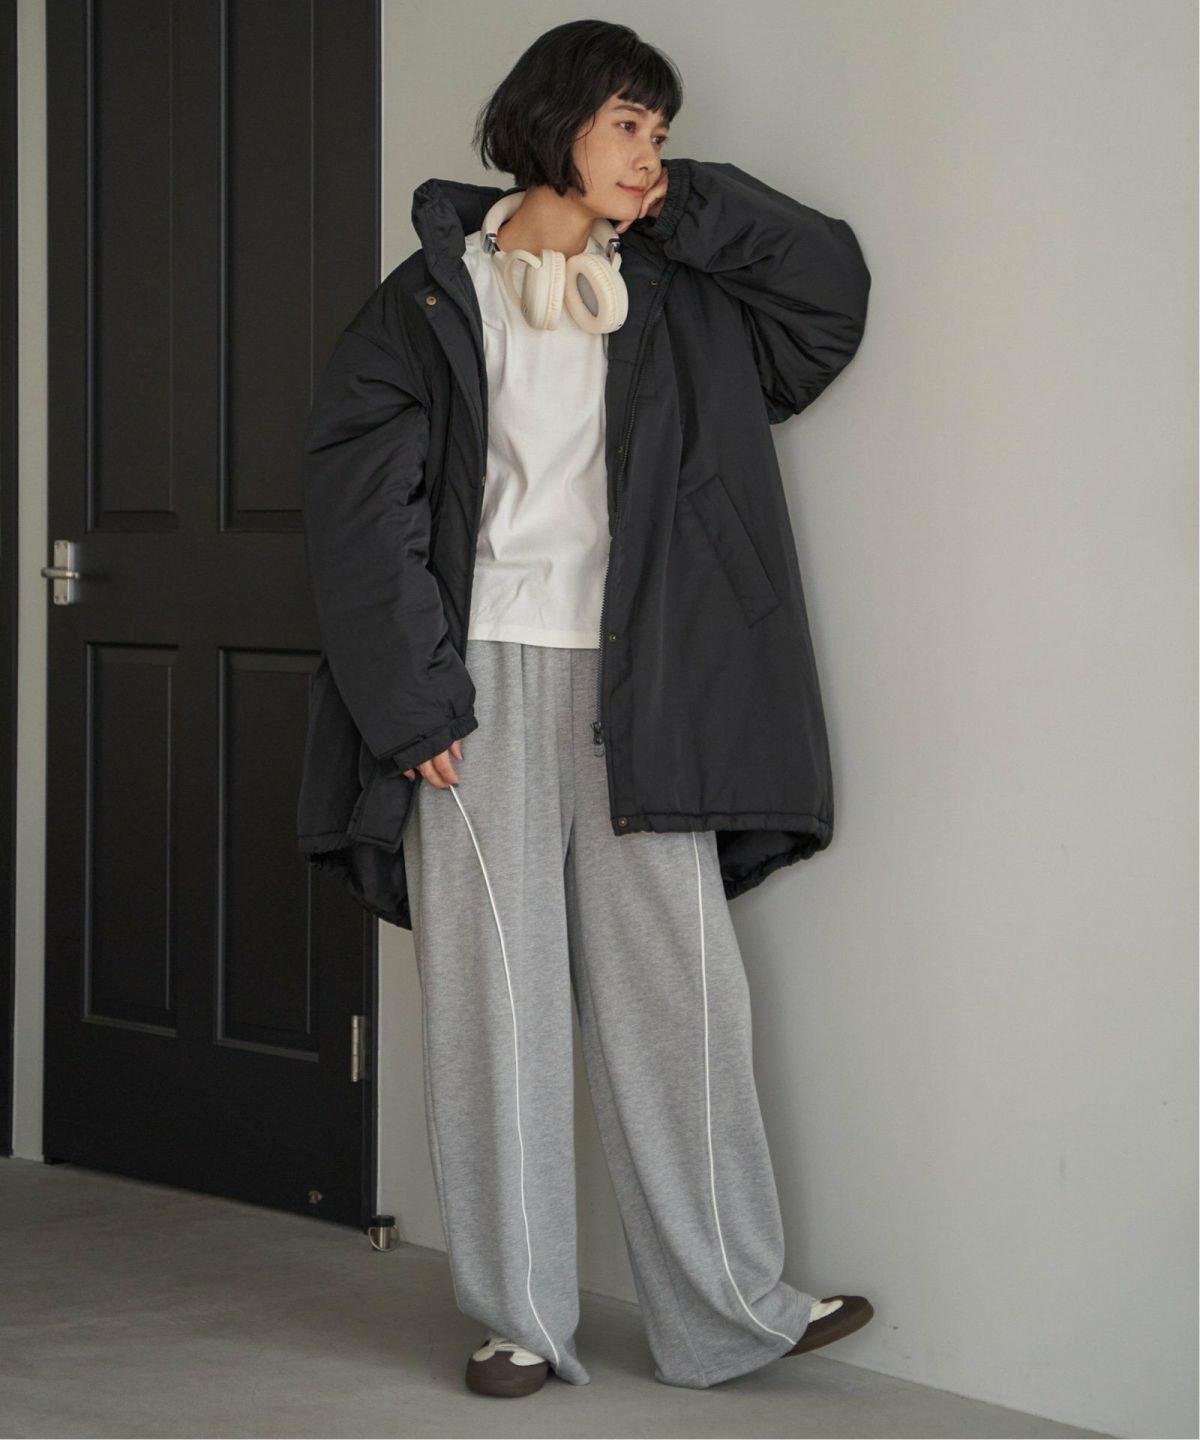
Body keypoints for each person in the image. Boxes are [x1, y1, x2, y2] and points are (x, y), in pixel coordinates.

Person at [298, 18, 874, 1399]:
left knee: (681, 994)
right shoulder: (429, 300)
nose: (650, 151)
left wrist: (683, 201)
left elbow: (828, 296)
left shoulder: (678, 292)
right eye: (628, 124)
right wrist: (411, 704)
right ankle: (520, 1321)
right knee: (490, 1005)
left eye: (660, 131)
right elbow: (359, 509)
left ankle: (730, 1308)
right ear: (553, 120)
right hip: (474, 685)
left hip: (645, 684)